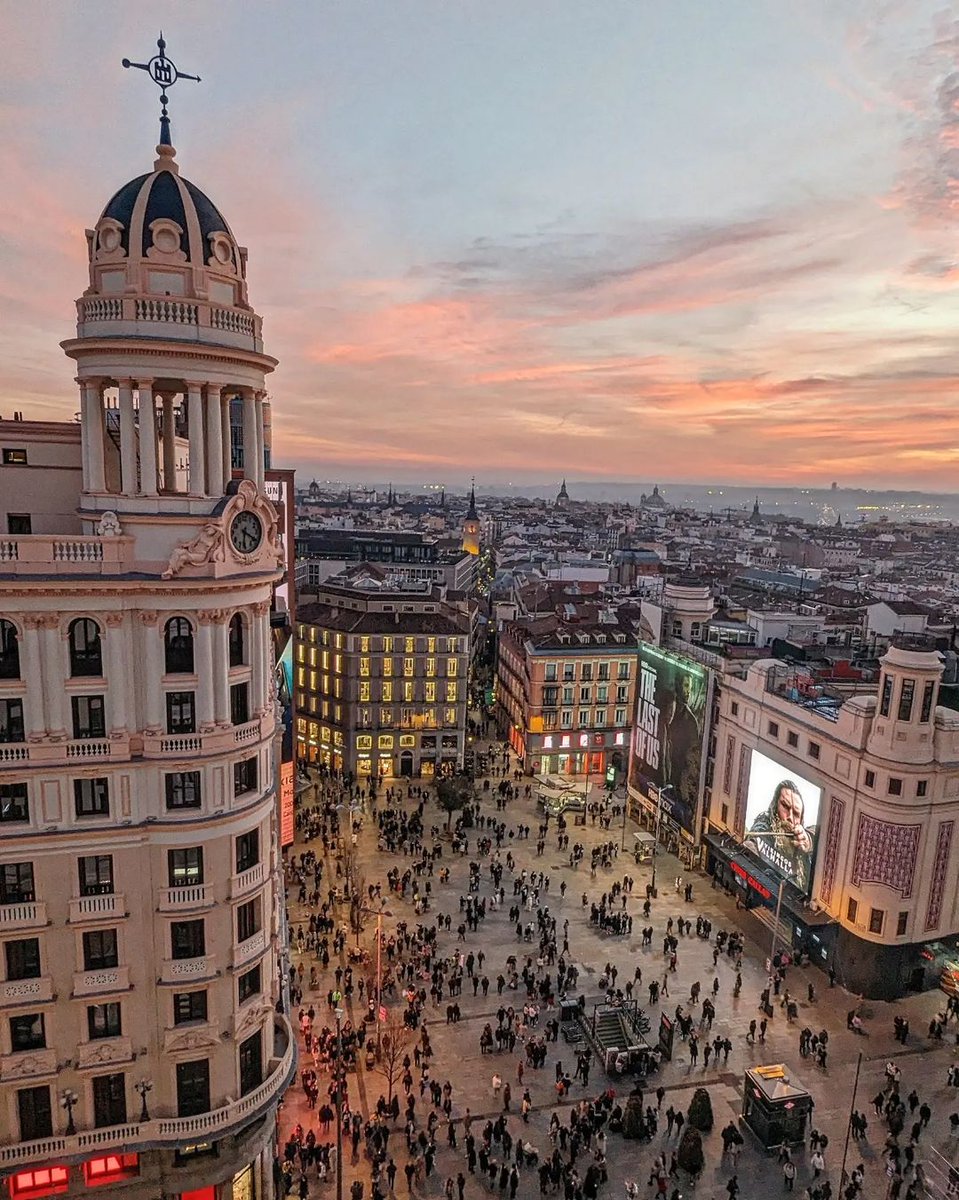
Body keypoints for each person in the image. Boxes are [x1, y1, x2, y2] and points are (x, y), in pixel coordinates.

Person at [745, 779, 815, 890]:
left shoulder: (802, 851)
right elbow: (757, 835)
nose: (790, 817)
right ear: (775, 807)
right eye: (785, 806)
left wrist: (809, 840)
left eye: (796, 814)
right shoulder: (763, 827)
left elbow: (822, 834)